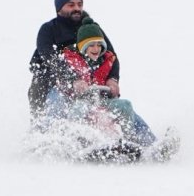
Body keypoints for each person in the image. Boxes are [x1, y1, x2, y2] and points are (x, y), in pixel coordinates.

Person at [47, 17, 155, 146]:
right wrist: (75, 81)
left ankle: (135, 141)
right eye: (91, 45)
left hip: (100, 100)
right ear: (82, 47)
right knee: (79, 108)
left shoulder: (108, 59)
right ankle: (77, 142)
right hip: (74, 101)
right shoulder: (69, 59)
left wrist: (113, 82)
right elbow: (62, 73)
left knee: (125, 105)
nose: (96, 48)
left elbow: (113, 74)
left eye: (99, 45)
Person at [28, 0, 120, 117]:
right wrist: (72, 79)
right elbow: (49, 57)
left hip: (91, 82)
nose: (77, 8)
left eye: (79, 4)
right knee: (55, 106)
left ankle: (145, 137)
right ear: (59, 8)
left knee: (123, 108)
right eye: (71, 5)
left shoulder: (91, 28)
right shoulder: (48, 29)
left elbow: (110, 56)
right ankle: (45, 133)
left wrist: (113, 79)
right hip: (53, 83)